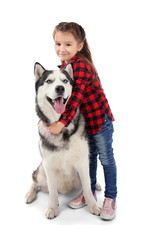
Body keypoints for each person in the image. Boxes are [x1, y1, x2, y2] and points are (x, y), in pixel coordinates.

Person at [44, 22, 117, 220]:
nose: (62, 49)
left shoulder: (81, 66)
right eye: (58, 43)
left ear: (80, 45)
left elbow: (75, 97)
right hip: (85, 126)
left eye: (68, 44)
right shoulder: (65, 68)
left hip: (100, 122)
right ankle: (89, 191)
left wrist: (62, 123)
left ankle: (110, 197)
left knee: (106, 159)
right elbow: (62, 99)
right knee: (89, 159)